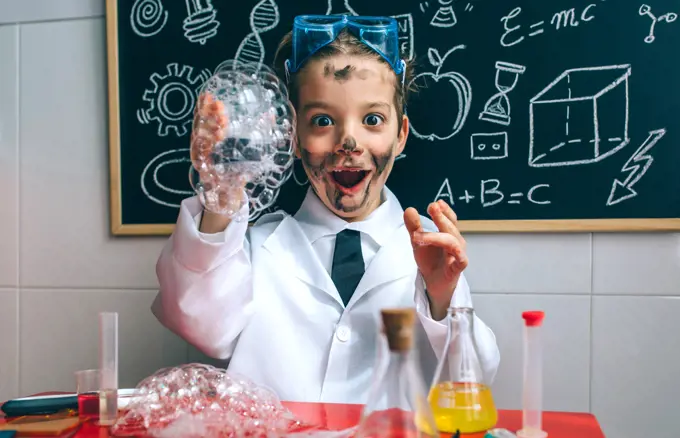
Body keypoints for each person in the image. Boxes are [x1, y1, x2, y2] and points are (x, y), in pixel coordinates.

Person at [152, 15, 500, 403]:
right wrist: (220, 190)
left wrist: (441, 300)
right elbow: (198, 324)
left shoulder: (428, 255)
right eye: (322, 121)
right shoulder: (257, 250)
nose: (348, 140)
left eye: (372, 119)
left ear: (400, 134)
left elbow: (474, 379)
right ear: (294, 137)